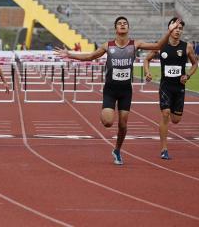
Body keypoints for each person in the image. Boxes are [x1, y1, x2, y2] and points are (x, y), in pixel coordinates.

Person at [54, 16, 181, 165]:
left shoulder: (135, 44)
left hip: (126, 91)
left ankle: (117, 150)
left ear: (128, 28)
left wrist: (169, 31)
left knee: (123, 125)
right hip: (110, 89)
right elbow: (90, 56)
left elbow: (158, 45)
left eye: (125, 23)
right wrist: (70, 54)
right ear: (115, 29)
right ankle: (105, 113)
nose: (122, 25)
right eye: (119, 24)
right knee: (108, 122)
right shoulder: (108, 46)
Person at [144, 18, 198, 160]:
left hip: (179, 87)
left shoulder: (187, 47)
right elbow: (146, 59)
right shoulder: (161, 46)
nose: (178, 30)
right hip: (165, 86)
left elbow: (195, 64)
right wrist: (147, 72)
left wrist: (187, 75)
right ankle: (164, 149)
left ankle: (166, 142)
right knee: (165, 113)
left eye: (180, 28)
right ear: (169, 29)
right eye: (175, 27)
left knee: (176, 119)